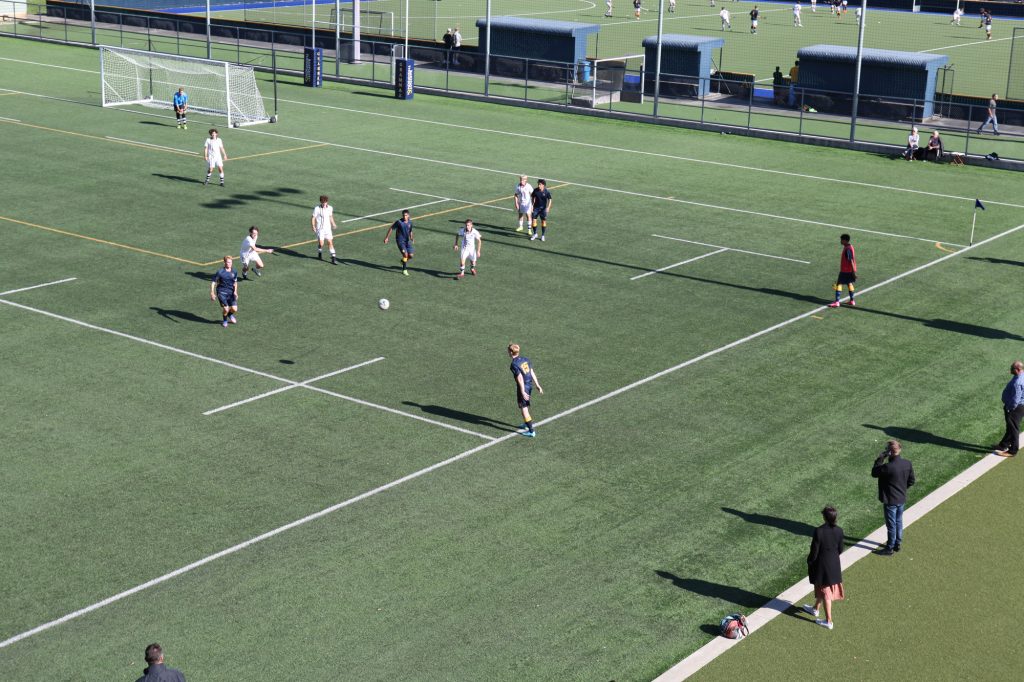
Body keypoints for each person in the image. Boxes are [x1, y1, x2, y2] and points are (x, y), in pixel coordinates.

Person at [801, 506, 844, 630]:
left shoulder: (819, 531)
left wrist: (810, 561)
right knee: (823, 588)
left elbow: (814, 551)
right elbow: (841, 549)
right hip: (834, 565)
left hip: (822, 566)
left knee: (826, 593)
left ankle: (829, 621)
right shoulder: (839, 530)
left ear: (824, 517)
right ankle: (815, 609)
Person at [871, 440, 916, 555]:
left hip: (890, 500)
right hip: (901, 498)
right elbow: (911, 481)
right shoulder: (907, 463)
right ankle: (897, 543)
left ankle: (889, 548)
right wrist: (902, 489)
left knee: (891, 525)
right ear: (899, 450)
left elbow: (874, 472)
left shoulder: (887, 467)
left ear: (889, 452)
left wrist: (880, 458)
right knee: (899, 522)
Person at [508, 342, 543, 437]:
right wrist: (537, 385)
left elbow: (519, 377)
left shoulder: (514, 364)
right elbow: (531, 372)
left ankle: (531, 431)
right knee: (525, 405)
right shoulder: (525, 359)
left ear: (511, 353)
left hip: (524, 386)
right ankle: (526, 423)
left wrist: (522, 391)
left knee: (523, 408)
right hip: (529, 385)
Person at [994, 361, 1024, 456]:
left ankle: (1012, 451)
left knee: (1013, 428)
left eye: (1012, 368)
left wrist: (1009, 408)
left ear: (1018, 369)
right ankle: (1003, 445)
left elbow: (1016, 398)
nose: (1010, 370)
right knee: (1011, 427)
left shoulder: (1018, 382)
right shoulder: (1021, 376)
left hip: (1015, 407)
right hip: (1021, 405)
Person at [827, 233, 856, 308]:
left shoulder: (848, 249)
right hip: (848, 270)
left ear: (845, 240)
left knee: (839, 284)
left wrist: (853, 272)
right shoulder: (849, 247)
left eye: (842, 240)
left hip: (845, 271)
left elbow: (851, 261)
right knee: (849, 283)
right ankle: (852, 301)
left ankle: (837, 302)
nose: (840, 241)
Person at [383, 209, 415, 276]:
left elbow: (410, 231)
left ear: (408, 216)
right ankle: (404, 270)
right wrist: (387, 237)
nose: (404, 217)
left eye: (406, 215)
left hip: (407, 241)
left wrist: (411, 238)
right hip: (400, 241)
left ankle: (403, 261)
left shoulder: (410, 222)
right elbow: (391, 228)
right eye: (403, 215)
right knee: (405, 255)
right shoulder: (399, 222)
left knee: (411, 255)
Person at [210, 255, 239, 328]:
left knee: (234, 309)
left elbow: (235, 282)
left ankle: (229, 314)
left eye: (230, 262)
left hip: (231, 292)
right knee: (226, 308)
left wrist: (235, 292)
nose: (229, 264)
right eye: (228, 262)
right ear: (224, 263)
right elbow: (213, 282)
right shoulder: (220, 272)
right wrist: (212, 293)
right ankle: (225, 320)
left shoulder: (234, 271)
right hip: (221, 292)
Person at [311, 194, 338, 264]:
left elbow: (330, 216)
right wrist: (313, 226)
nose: (324, 203)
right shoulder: (317, 208)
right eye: (323, 202)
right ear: (321, 202)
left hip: (328, 229)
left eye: (325, 202)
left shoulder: (330, 208)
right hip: (320, 229)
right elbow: (313, 218)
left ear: (327, 202)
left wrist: (333, 224)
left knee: (330, 242)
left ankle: (333, 258)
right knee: (321, 243)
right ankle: (320, 251)